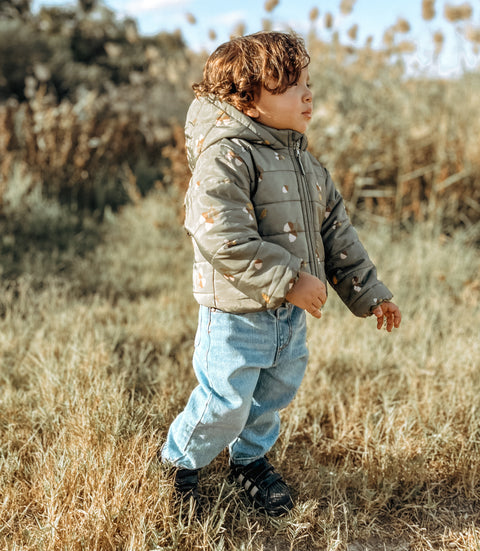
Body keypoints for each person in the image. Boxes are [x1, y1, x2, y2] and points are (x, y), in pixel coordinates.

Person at [161, 31, 401, 517]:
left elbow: (337, 232)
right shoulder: (226, 156)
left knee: (272, 395)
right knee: (225, 400)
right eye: (291, 86)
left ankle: (248, 460)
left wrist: (371, 293)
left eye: (307, 82)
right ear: (247, 99)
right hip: (237, 314)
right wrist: (291, 280)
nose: (307, 94)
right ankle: (180, 467)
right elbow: (220, 234)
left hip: (288, 320)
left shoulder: (307, 165)